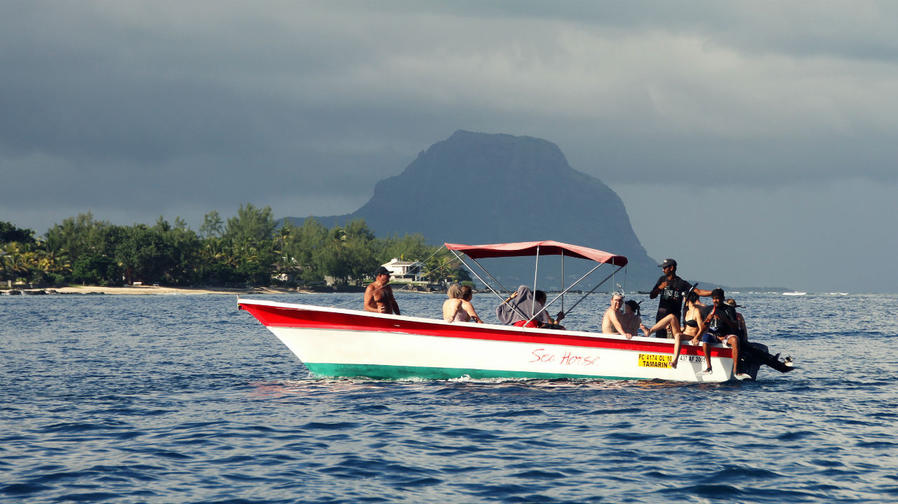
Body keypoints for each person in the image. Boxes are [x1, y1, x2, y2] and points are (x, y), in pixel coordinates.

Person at [691, 288, 749, 378]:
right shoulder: (708, 309)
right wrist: (707, 320)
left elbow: (735, 326)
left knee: (735, 340)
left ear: (722, 298)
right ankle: (709, 367)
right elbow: (702, 327)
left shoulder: (729, 309)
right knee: (706, 338)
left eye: (717, 298)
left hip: (726, 335)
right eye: (714, 298)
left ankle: (736, 371)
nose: (715, 300)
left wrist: (725, 319)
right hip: (714, 335)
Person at [649, 259, 711, 337]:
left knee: (673, 338)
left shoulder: (681, 283)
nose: (663, 270)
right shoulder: (662, 279)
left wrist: (713, 293)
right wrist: (660, 288)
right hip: (661, 316)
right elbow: (651, 296)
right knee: (660, 337)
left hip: (674, 317)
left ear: (671, 268)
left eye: (665, 268)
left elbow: (698, 291)